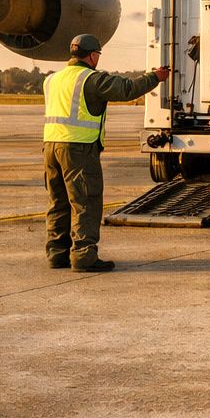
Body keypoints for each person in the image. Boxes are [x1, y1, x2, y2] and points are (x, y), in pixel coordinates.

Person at [42, 33, 170, 272]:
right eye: (98, 55)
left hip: (50, 147)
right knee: (85, 201)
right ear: (92, 55)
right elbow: (127, 89)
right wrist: (155, 77)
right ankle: (84, 256)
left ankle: (56, 254)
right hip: (78, 148)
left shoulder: (52, 79)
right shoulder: (90, 79)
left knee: (58, 202)